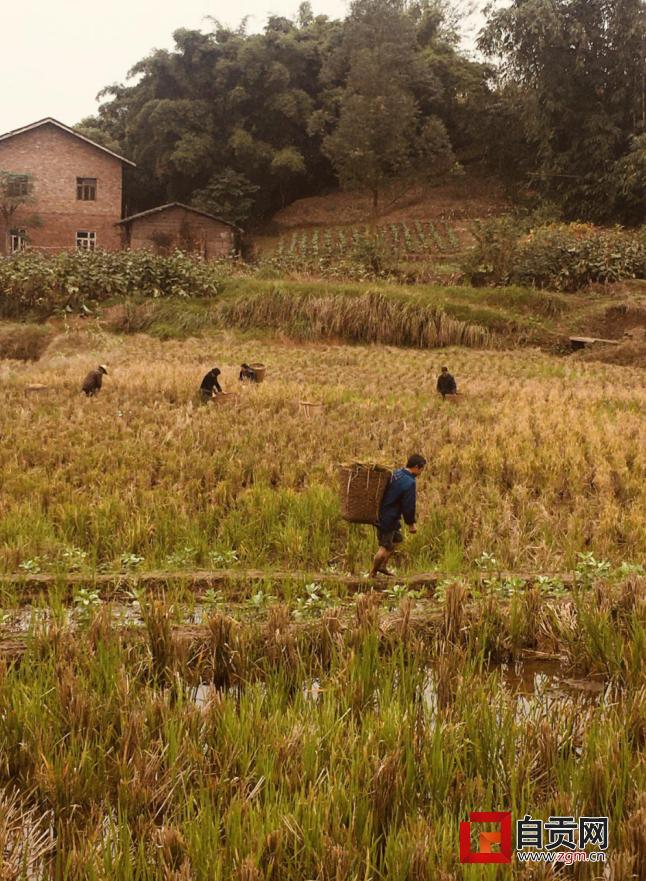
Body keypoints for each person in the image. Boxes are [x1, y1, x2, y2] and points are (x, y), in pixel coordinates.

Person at [369, 454, 426, 578]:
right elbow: (408, 505)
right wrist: (411, 524)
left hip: (382, 514)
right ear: (417, 467)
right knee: (384, 546)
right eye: (422, 469)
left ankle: (383, 567)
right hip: (389, 517)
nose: (421, 472)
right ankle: (372, 573)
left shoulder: (396, 473)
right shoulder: (409, 482)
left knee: (396, 539)